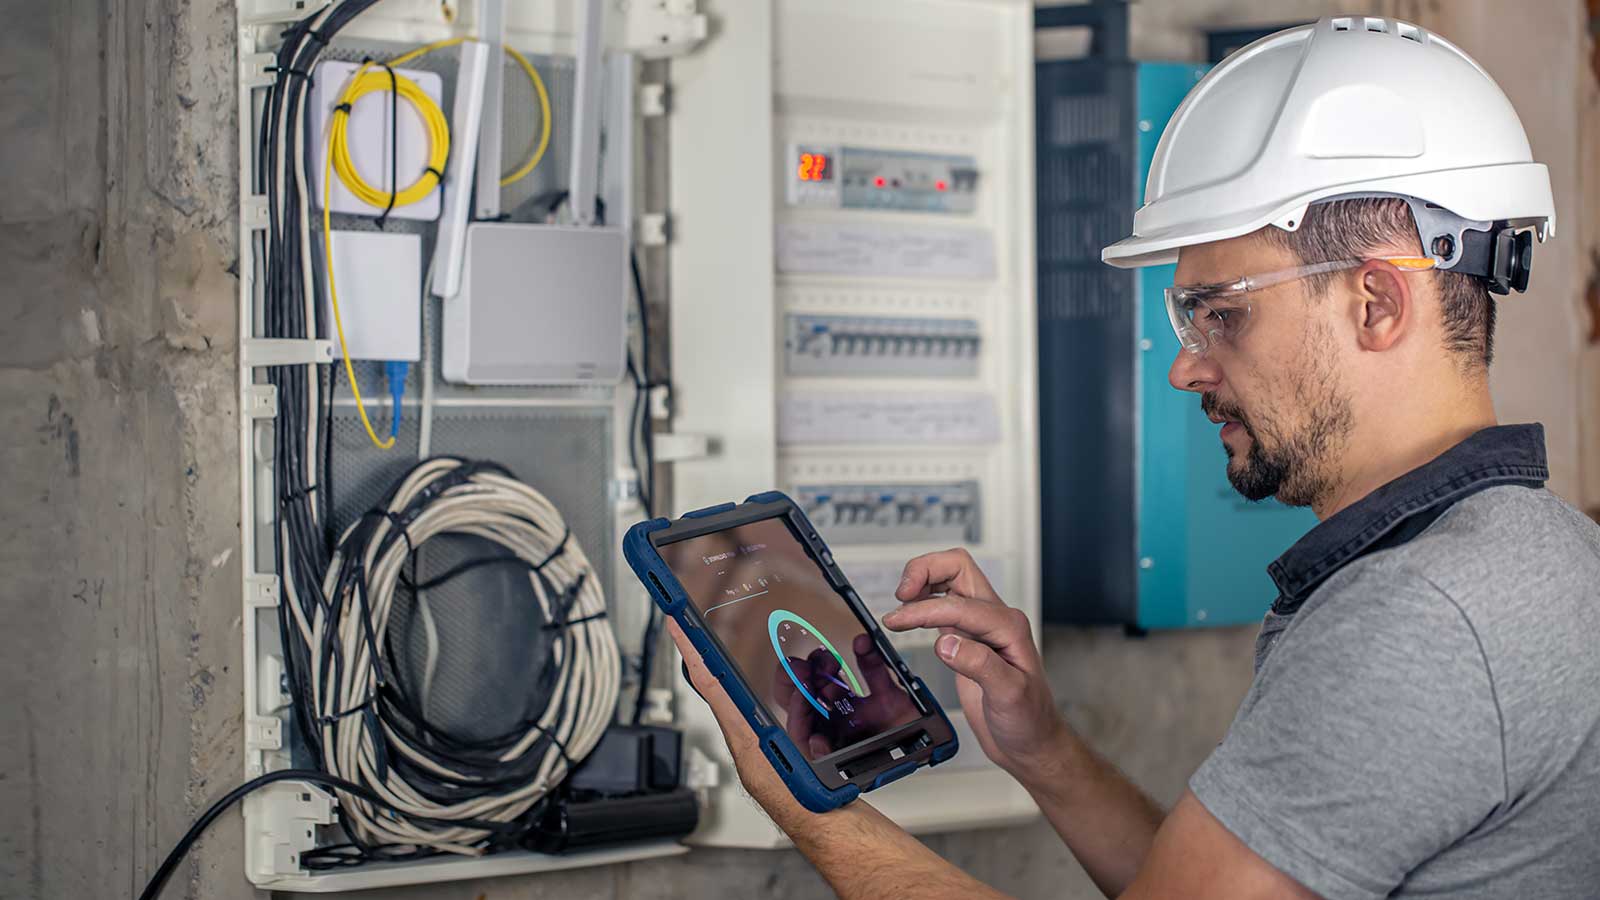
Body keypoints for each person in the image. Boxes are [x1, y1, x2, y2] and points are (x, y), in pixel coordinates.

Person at [668, 16, 1600, 899]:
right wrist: (1043, 749)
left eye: (1221, 312)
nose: (1186, 366)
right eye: (1184, 315)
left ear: (1377, 304)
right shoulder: (1534, 552)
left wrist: (807, 806)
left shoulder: (1420, 621)